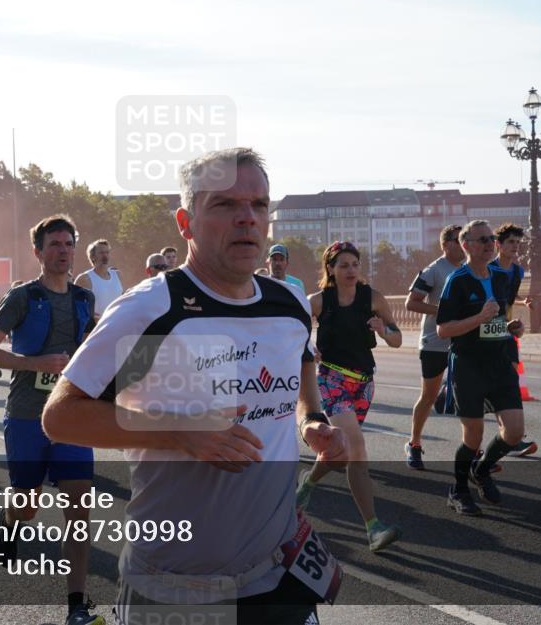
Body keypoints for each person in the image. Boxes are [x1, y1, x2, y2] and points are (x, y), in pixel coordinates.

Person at [44, 148, 349, 625]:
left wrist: (311, 419)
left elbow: (302, 363)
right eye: (225, 205)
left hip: (278, 573)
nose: (247, 219)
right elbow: (63, 416)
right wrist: (180, 432)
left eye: (259, 205)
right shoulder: (154, 313)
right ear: (186, 222)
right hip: (174, 589)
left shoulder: (287, 304)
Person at [0, 215, 102, 625]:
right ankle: (8, 520)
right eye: (54, 244)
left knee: (79, 506)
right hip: (28, 415)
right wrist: (35, 364)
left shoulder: (84, 299)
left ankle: (77, 606)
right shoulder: (22, 297)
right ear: (38, 251)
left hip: (73, 415)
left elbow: (95, 350)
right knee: (26, 505)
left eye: (68, 244)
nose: (62, 251)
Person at [302, 240, 403, 551]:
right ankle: (373, 527)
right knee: (356, 446)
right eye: (343, 265)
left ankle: (307, 483)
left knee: (339, 451)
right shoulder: (318, 301)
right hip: (331, 379)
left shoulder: (373, 298)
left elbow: (397, 339)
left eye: (355, 264)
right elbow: (296, 334)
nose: (350, 270)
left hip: (364, 382)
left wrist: (383, 331)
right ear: (330, 269)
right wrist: (309, 348)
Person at [437, 220, 526, 516]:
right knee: (472, 437)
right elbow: (443, 330)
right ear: (466, 246)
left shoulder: (501, 277)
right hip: (469, 366)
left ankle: (482, 470)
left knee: (514, 432)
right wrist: (479, 317)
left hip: (499, 363)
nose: (490, 243)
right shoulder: (457, 281)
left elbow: (497, 319)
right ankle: (458, 489)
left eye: (491, 238)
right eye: (482, 239)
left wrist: (510, 326)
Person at [403, 224, 465, 469]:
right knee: (428, 396)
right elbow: (411, 303)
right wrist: (442, 311)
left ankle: (474, 450)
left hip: (462, 341)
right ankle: (414, 444)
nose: (464, 244)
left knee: (470, 395)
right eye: (459, 240)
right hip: (434, 343)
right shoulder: (434, 270)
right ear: (446, 244)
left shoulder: (470, 269)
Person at [492, 223, 538, 458]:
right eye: (511, 242)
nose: (515, 247)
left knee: (509, 384)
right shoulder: (487, 270)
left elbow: (508, 298)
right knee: (490, 389)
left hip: (506, 333)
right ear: (498, 244)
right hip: (484, 333)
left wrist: (522, 303)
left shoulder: (518, 272)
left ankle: (513, 437)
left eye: (518, 243)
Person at [75, 239, 123, 320]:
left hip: (118, 324)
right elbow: (73, 306)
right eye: (101, 253)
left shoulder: (117, 275)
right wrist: (89, 314)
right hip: (96, 328)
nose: (105, 256)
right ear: (92, 257)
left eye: (107, 252)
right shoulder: (84, 278)